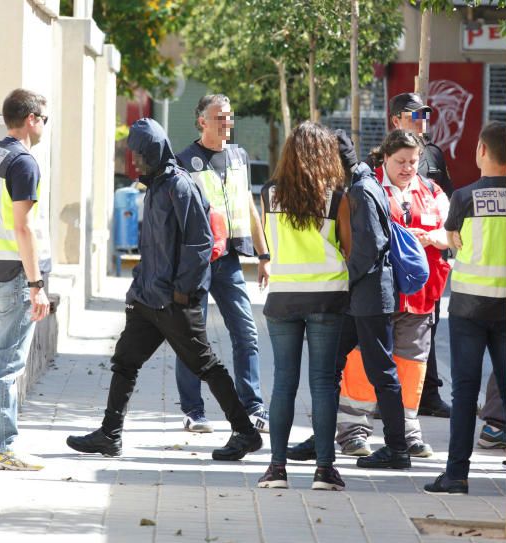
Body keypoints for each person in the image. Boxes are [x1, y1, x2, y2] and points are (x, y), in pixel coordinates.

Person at [66, 119, 262, 461]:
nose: (136, 162)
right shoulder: (155, 186)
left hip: (172, 303)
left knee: (206, 366)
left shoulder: (179, 186)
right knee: (124, 362)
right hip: (147, 299)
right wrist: (137, 287)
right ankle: (109, 434)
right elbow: (152, 245)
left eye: (140, 155)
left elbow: (200, 244)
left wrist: (183, 292)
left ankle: (245, 432)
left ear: (153, 152)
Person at [336, 130, 451, 459]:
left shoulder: (431, 192)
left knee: (411, 365)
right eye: (400, 161)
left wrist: (432, 238)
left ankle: (407, 429)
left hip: (420, 298)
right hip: (377, 296)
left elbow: (453, 234)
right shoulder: (369, 190)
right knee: (361, 362)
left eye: (413, 162)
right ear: (384, 158)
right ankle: (354, 428)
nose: (407, 168)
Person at [255, 122, 351, 491]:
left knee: (283, 383)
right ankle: (324, 470)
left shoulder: (270, 194)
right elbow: (350, 247)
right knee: (324, 384)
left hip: (282, 298)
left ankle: (276, 469)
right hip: (328, 296)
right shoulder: (337, 197)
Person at [424, 122, 506, 494]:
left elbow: (453, 239)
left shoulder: (463, 197)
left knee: (464, 391)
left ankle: (456, 475)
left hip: (468, 307)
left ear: (480, 150)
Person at [174, 94, 271, 434]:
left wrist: (264, 255)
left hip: (229, 260)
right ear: (202, 121)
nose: (226, 122)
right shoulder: (183, 161)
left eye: (229, 116)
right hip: (196, 263)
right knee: (192, 339)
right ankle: (193, 411)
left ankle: (253, 406)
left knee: (246, 332)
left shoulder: (238, 157)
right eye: (219, 117)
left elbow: (248, 205)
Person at [0, 88, 52, 471]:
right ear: (31, 118)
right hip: (15, 273)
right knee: (7, 362)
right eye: (44, 119)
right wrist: (36, 285)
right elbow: (24, 228)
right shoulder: (23, 162)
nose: (44, 127)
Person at [336, 130, 410, 470]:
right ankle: (322, 435)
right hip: (363, 297)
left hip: (369, 297)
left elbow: (370, 247)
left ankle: (397, 449)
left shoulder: (363, 190)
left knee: (382, 372)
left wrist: (343, 279)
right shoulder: (363, 184)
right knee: (330, 364)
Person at [387, 92, 453, 418]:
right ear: (396, 120)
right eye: (414, 115)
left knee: (427, 329)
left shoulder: (434, 156)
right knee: (391, 332)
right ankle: (386, 396)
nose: (421, 122)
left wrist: (447, 246)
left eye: (424, 116)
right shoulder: (380, 160)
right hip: (392, 265)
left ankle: (425, 395)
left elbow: (449, 205)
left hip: (429, 267)